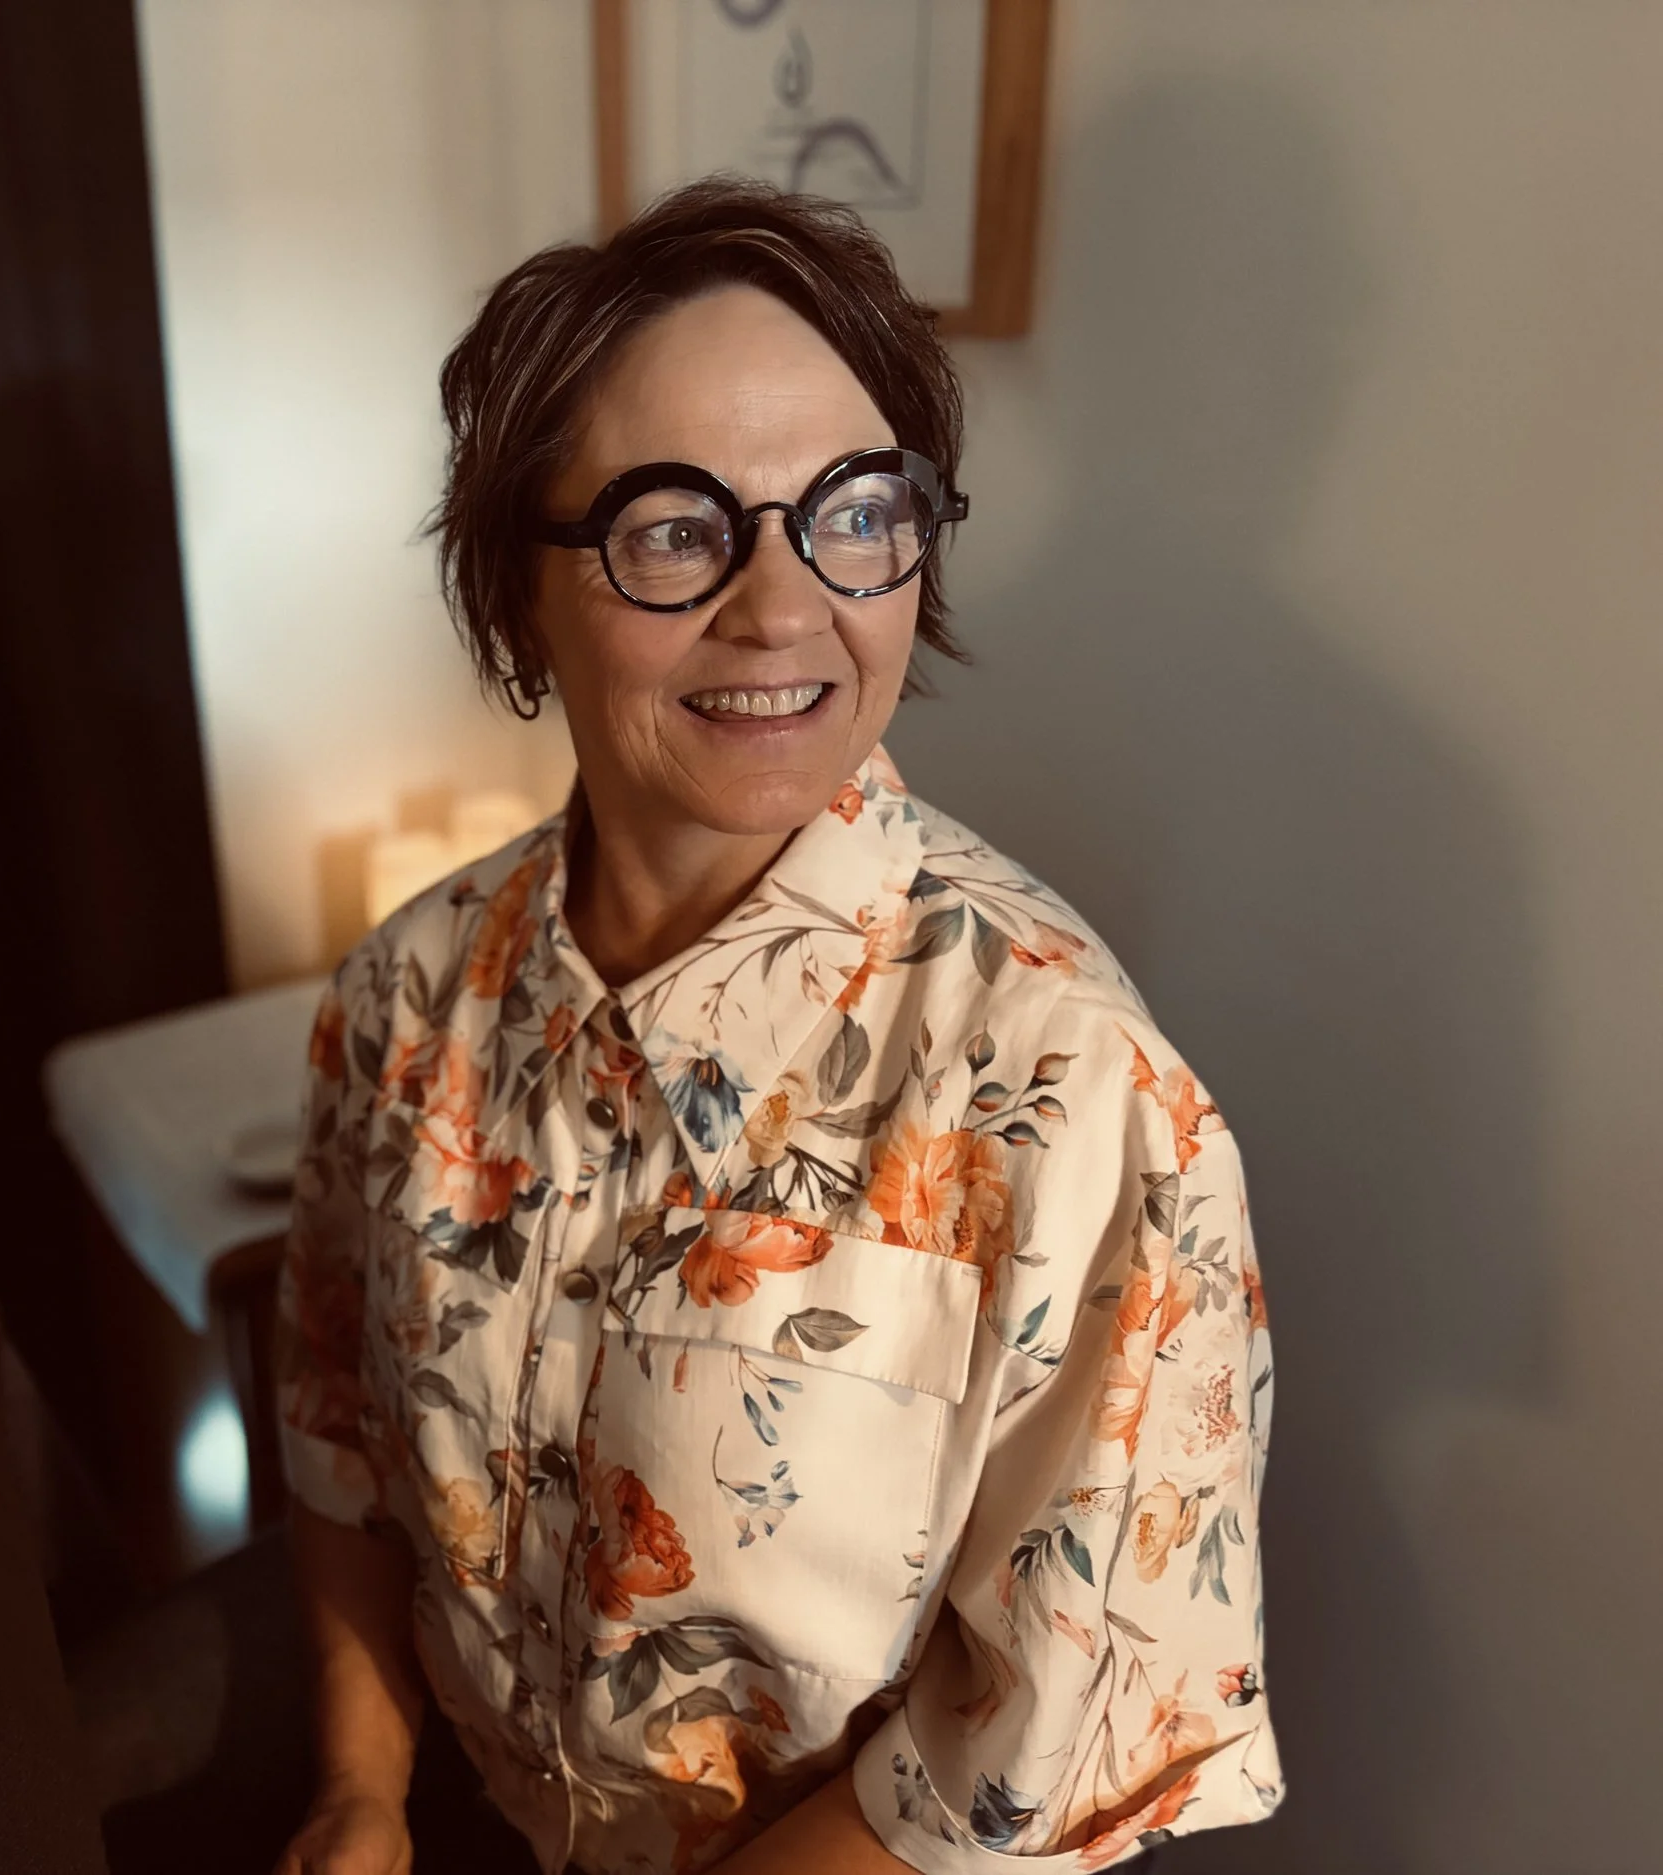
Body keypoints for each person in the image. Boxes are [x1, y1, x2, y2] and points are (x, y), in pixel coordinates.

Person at [270, 180, 1280, 1875]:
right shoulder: (406, 999)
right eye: (675, 526)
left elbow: (1027, 1763)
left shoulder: (1068, 1090)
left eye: (855, 509)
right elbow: (337, 1431)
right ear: (520, 587)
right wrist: (363, 1787)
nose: (784, 601)